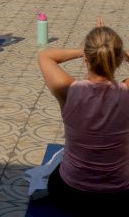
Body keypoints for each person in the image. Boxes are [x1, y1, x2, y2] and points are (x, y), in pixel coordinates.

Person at [39, 18, 129, 215]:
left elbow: (46, 56)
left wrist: (88, 50)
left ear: (87, 59)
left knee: (58, 173)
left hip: (71, 194)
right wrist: (118, 53)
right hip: (119, 198)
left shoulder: (68, 90)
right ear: (119, 60)